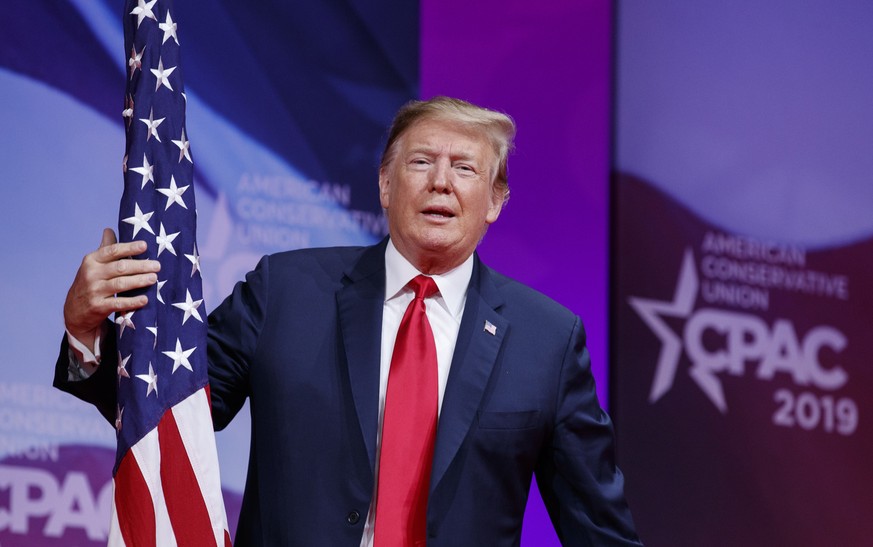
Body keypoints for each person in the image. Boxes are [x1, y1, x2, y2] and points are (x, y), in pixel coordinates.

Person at [56, 96, 642, 546]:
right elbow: (170, 414)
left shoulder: (548, 339)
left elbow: (596, 522)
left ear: (495, 201)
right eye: (421, 162)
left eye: (465, 168)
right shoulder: (285, 290)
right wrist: (87, 334)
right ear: (386, 185)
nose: (441, 181)